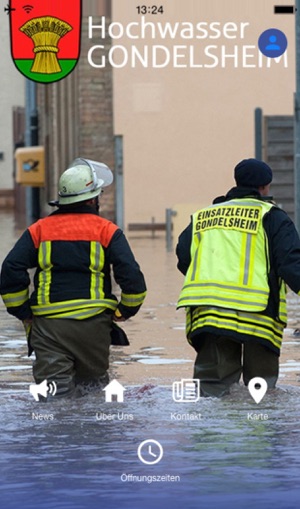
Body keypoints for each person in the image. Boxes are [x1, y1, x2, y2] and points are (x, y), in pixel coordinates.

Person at [0, 158, 147, 399]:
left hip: (49, 327)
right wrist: (123, 312)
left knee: (53, 400)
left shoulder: (38, 230)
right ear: (92, 199)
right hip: (94, 326)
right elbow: (133, 279)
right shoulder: (107, 231)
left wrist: (23, 311)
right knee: (93, 396)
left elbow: (10, 270)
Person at [176, 158, 300, 397]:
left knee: (211, 392)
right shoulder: (272, 217)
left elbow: (184, 257)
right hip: (258, 316)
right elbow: (292, 264)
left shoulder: (203, 217)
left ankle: (212, 434)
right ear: (265, 186)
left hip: (209, 313)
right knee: (261, 394)